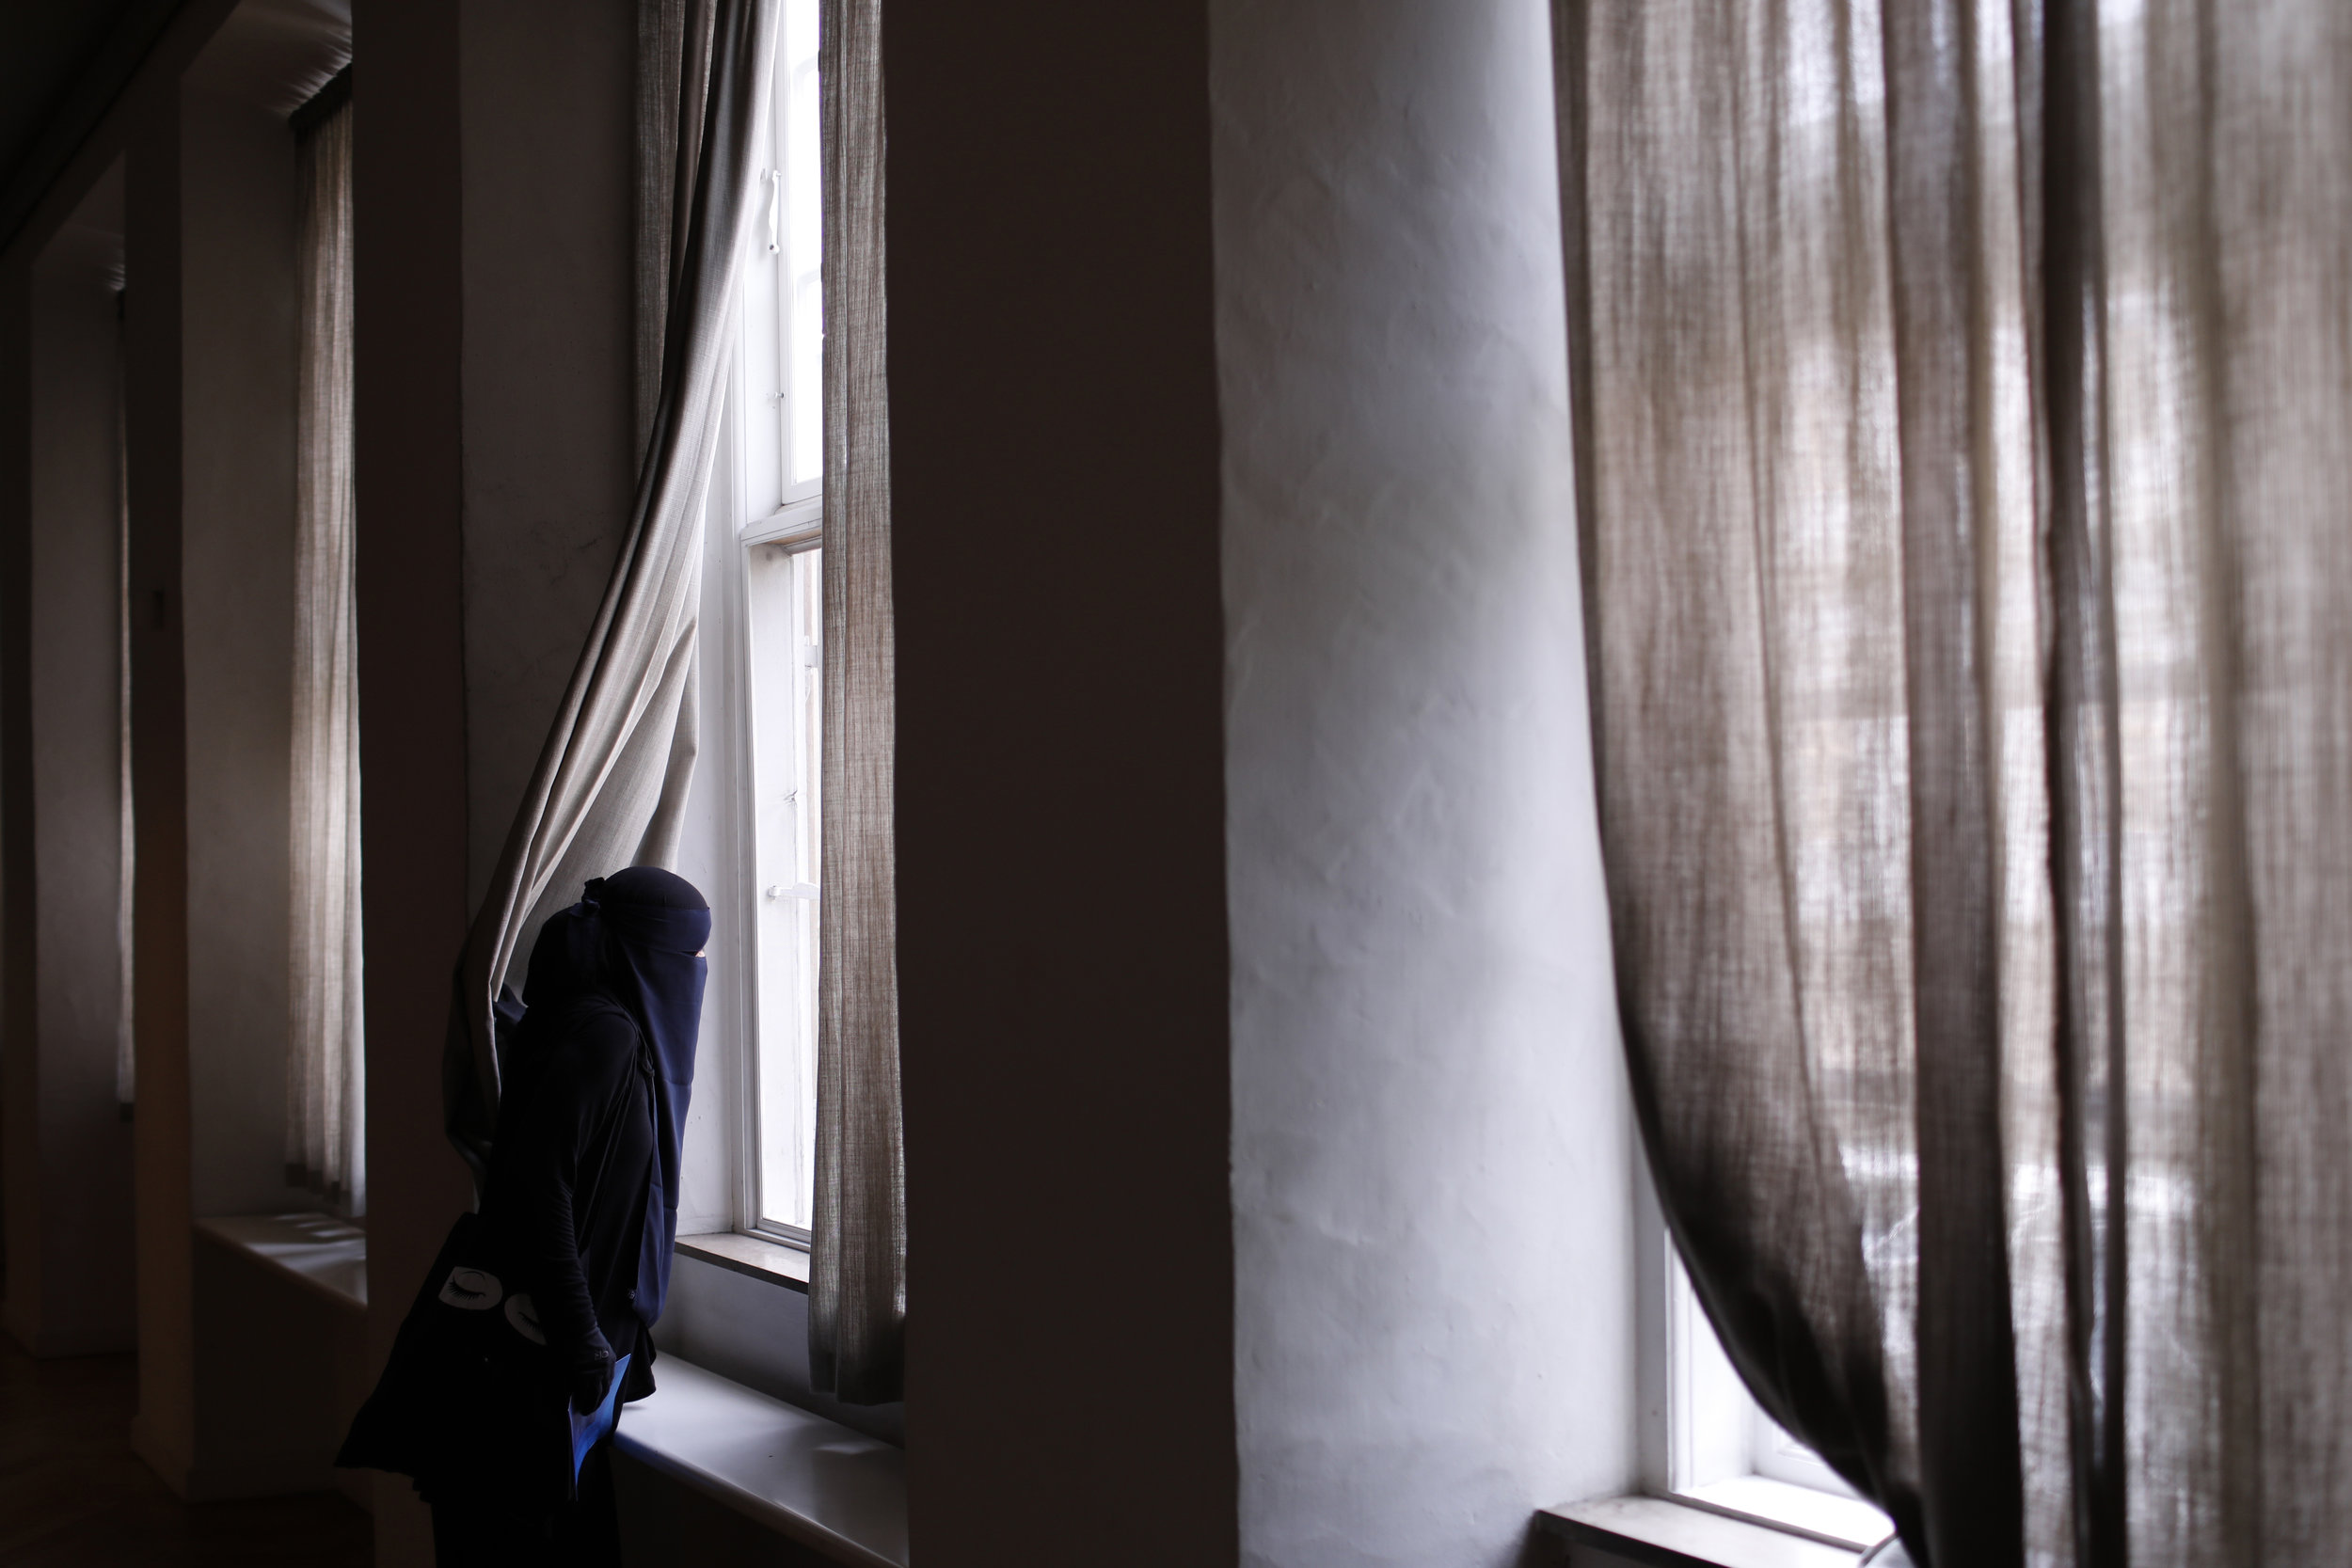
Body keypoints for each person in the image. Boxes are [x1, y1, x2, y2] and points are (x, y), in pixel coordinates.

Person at [421, 866, 710, 1567]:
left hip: (533, 1369)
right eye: (684, 959)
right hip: (531, 1373)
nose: (692, 976)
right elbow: (540, 1193)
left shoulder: (575, 1015)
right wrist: (583, 1337)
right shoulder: (607, 1036)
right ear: (646, 955)